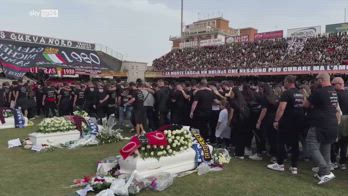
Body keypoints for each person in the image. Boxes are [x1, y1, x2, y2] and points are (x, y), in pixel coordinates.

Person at [304, 73, 340, 185]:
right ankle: (325, 173)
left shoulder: (319, 92)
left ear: (321, 80)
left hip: (320, 124)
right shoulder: (334, 92)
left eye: (316, 80)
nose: (315, 82)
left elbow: (306, 104)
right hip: (332, 123)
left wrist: (305, 95)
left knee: (311, 146)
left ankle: (325, 170)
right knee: (325, 150)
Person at [267, 75, 305, 175]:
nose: (284, 83)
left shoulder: (286, 93)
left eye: (284, 81)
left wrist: (276, 120)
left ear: (288, 82)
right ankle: (294, 167)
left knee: (280, 142)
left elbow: (281, 108)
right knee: (295, 144)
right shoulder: (300, 93)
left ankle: (280, 164)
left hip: (287, 122)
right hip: (298, 122)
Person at [331, 77, 348, 170]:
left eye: (333, 84)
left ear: (339, 84)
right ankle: (342, 162)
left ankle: (334, 162)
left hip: (339, 119)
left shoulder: (334, 94)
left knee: (335, 141)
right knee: (344, 142)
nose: (332, 86)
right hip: (345, 119)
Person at [229, 87, 250, 159]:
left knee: (237, 137)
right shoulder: (243, 100)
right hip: (244, 120)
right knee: (242, 137)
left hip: (236, 120)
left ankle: (238, 153)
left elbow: (231, 113)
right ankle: (241, 153)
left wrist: (229, 121)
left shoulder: (233, 101)